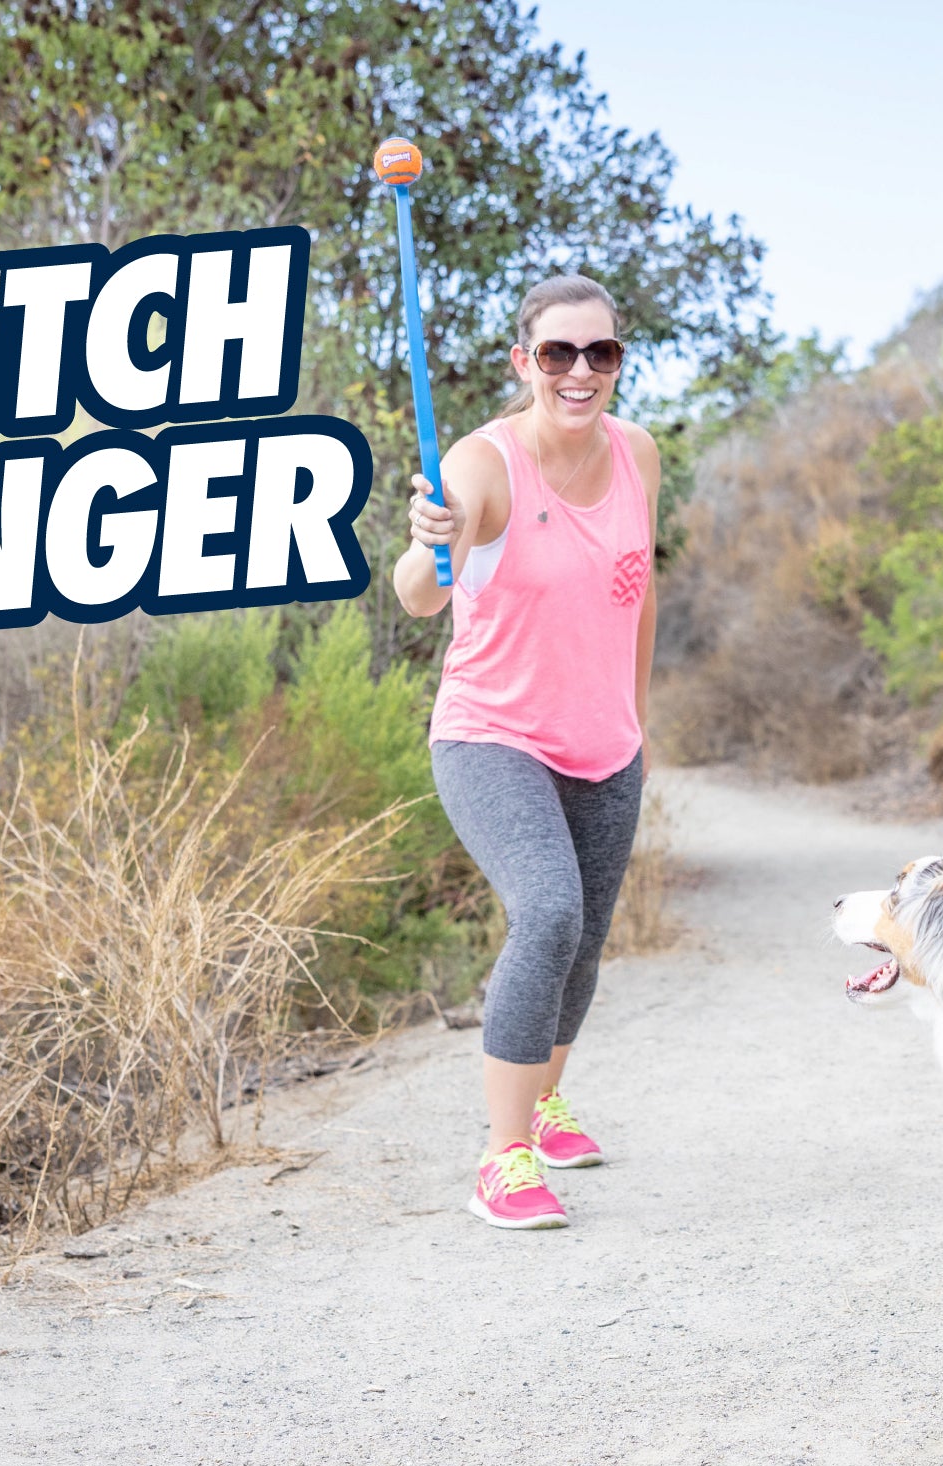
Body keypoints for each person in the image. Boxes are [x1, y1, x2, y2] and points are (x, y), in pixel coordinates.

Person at [392, 274, 661, 1230]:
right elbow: (420, 593)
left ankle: (544, 1104)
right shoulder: (483, 463)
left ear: (618, 360)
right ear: (525, 361)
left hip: (605, 742)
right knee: (547, 911)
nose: (580, 371)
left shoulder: (637, 453)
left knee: (583, 944)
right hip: (492, 735)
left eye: (601, 352)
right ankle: (501, 1160)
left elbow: (640, 592)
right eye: (558, 353)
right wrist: (434, 539)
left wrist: (635, 723)